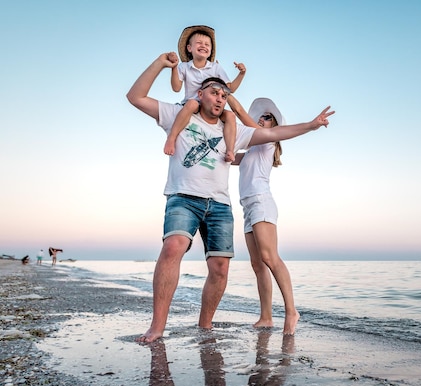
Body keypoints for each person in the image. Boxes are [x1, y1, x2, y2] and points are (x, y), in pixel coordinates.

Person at [126, 53, 334, 343]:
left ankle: (206, 325)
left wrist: (311, 126)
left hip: (222, 206)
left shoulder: (232, 130)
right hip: (183, 197)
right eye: (214, 92)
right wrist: (161, 64)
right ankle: (157, 326)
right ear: (199, 94)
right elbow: (135, 97)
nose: (221, 98)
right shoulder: (179, 114)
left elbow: (274, 132)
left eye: (225, 94)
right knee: (173, 247)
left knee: (221, 267)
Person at [228, 96, 299, 335]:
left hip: (261, 203)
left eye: (267, 117)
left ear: (274, 126)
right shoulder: (250, 152)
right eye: (260, 116)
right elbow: (226, 157)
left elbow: (239, 113)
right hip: (247, 206)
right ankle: (266, 317)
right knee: (257, 264)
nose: (261, 119)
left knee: (270, 257)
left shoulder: (268, 142)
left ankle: (291, 312)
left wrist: (224, 93)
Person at [164, 25, 246, 163]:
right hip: (194, 104)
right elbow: (176, 88)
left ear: (210, 51)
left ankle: (230, 151)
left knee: (231, 115)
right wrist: (173, 68)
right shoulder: (184, 67)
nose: (204, 46)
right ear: (189, 48)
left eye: (207, 44)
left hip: (211, 105)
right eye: (199, 43)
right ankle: (171, 138)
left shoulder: (215, 67)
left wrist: (241, 74)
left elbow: (230, 88)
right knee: (191, 103)